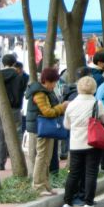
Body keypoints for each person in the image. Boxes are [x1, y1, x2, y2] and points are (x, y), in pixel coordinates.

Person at [62, 76, 104, 207]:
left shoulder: (71, 105)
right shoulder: (97, 104)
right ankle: (88, 204)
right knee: (91, 173)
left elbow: (66, 125)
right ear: (94, 88)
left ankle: (67, 203)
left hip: (75, 144)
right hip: (92, 143)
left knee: (73, 174)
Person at [26, 67, 68, 195]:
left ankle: (45, 185)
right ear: (47, 81)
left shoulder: (44, 91)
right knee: (42, 157)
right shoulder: (40, 93)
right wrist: (62, 107)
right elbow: (47, 112)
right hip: (41, 129)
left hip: (44, 128)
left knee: (46, 157)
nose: (55, 85)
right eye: (54, 82)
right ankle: (38, 186)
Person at [0, 54, 28, 171]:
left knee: (0, 134)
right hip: (15, 108)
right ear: (14, 63)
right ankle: (17, 159)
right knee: (17, 133)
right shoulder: (20, 75)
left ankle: (0, 162)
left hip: (0, 108)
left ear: (3, 63)